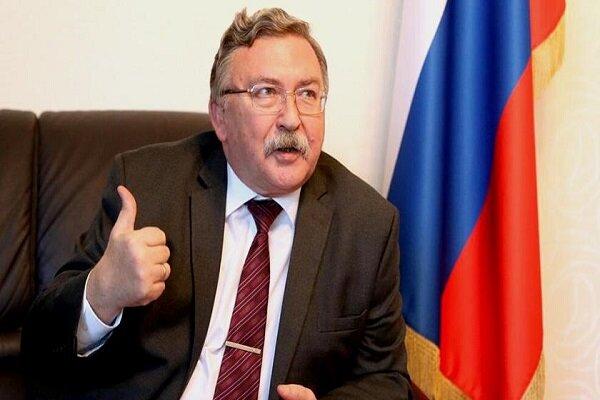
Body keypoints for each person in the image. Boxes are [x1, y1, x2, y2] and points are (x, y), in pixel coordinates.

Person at [22, 7, 412, 400]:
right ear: (220, 116)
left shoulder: (367, 224)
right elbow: (39, 343)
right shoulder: (146, 186)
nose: (292, 119)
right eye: (266, 92)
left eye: (307, 94)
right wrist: (103, 292)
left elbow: (386, 379)